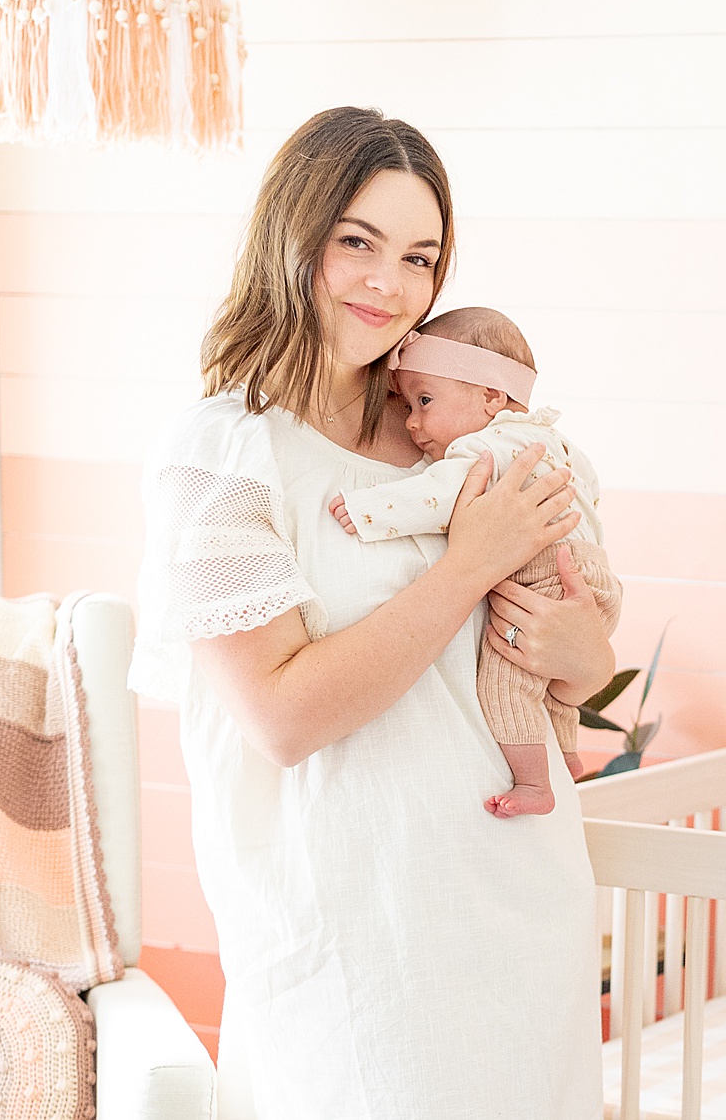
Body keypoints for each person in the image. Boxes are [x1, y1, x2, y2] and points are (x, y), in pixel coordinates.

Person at [129, 107, 613, 1118]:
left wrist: (582, 653)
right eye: (357, 242)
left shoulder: (456, 432)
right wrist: (464, 565)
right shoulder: (226, 455)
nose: (388, 286)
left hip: (520, 905)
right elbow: (282, 716)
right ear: (292, 237)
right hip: (357, 938)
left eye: (419, 257)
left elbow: (566, 650)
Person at [329, 306, 623, 817]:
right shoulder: (556, 442)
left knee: (506, 682)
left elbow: (439, 495)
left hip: (544, 573)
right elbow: (590, 492)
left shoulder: (485, 448)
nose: (414, 421)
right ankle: (566, 755)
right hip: (591, 573)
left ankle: (534, 784)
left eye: (424, 400)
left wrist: (369, 510)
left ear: (490, 396)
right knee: (545, 687)